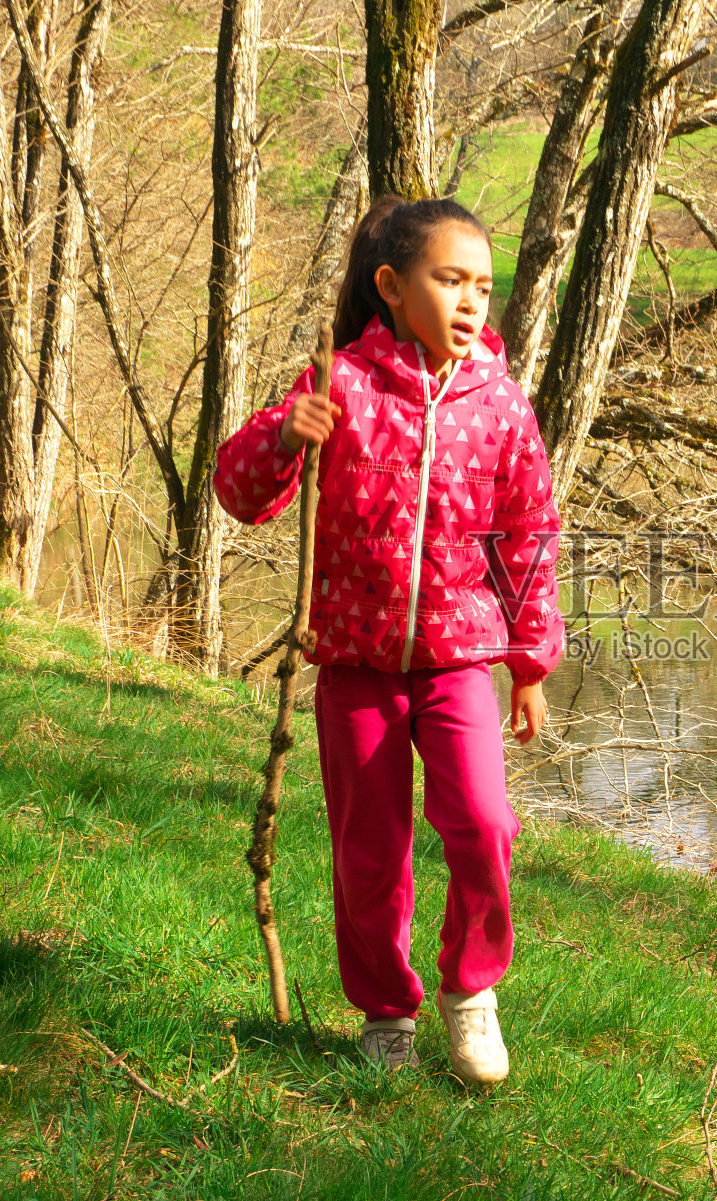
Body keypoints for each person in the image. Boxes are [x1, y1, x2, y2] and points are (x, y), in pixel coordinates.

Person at [213, 195, 564, 1084]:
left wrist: (530, 661)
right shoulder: (341, 385)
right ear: (391, 287)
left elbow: (528, 536)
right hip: (356, 669)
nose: (472, 300)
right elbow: (241, 493)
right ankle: (386, 1009)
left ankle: (471, 993)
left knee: (485, 824)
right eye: (450, 280)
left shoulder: (502, 406)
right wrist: (283, 436)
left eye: (484, 285)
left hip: (459, 666)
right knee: (371, 854)